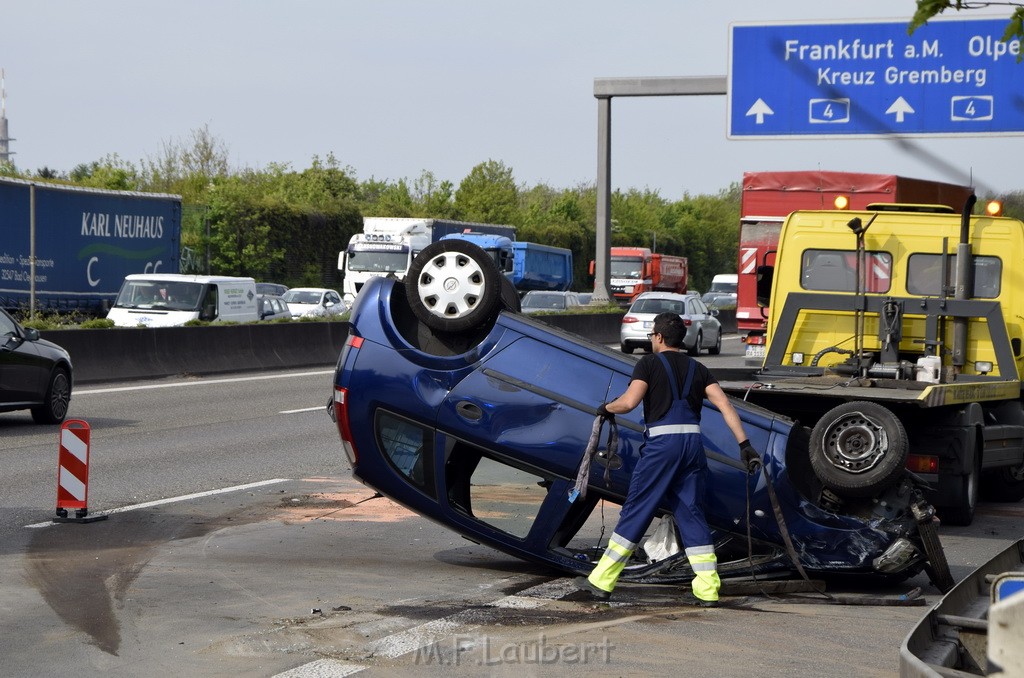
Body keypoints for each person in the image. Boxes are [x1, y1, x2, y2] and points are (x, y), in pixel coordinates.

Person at [575, 312, 757, 606]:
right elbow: (724, 405)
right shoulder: (699, 369)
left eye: (651, 336)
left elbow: (629, 402)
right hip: (692, 448)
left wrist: (606, 408)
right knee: (691, 512)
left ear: (658, 337)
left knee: (638, 507)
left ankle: (602, 579)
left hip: (663, 447)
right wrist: (745, 445)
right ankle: (708, 588)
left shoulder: (647, 364)